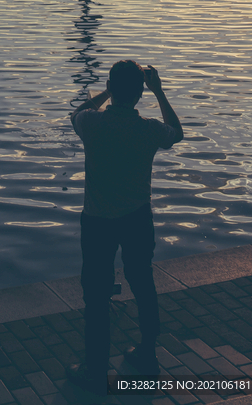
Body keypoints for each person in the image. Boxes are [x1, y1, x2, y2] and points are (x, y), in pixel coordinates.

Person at [67, 60, 183, 393]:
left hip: (98, 221)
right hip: (136, 218)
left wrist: (105, 91)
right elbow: (178, 133)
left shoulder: (91, 123)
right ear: (139, 93)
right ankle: (147, 353)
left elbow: (76, 112)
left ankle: (94, 368)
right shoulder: (148, 129)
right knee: (143, 282)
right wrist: (159, 92)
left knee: (96, 294)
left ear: (112, 88)